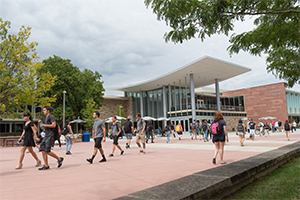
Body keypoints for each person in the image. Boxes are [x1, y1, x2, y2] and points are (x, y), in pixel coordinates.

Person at [38, 106, 64, 170]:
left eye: (44, 110)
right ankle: (46, 165)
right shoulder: (45, 118)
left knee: (47, 151)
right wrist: (42, 124)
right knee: (43, 150)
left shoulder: (51, 117)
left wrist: (44, 125)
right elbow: (46, 128)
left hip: (50, 136)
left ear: (48, 111)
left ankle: (59, 159)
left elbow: (53, 125)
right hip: (46, 135)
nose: (43, 111)